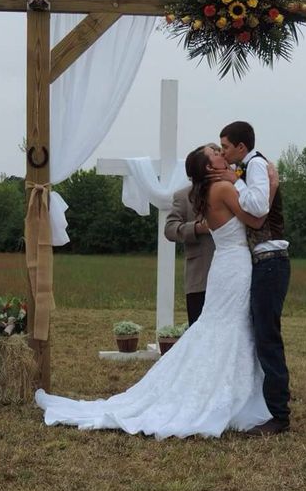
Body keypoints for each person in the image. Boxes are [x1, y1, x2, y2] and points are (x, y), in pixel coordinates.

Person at [35, 145, 278, 439]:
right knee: (229, 328)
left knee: (220, 327)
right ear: (208, 167)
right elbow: (257, 219)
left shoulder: (206, 191)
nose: (219, 152)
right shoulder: (224, 187)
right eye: (214, 152)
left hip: (225, 265)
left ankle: (224, 389)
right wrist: (269, 186)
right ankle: (222, 394)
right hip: (235, 265)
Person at [213, 121, 291, 436]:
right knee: (261, 335)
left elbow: (258, 208)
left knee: (267, 337)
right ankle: (267, 404)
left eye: (226, 147)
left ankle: (279, 414)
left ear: (242, 148)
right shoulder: (249, 168)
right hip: (263, 262)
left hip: (271, 260)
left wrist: (236, 181)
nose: (223, 152)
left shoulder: (256, 165)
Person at [164, 144, 219, 325]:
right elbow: (170, 229)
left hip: (228, 273)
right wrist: (197, 228)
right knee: (199, 329)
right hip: (200, 277)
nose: (219, 156)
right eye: (213, 155)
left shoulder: (231, 191)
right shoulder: (183, 196)